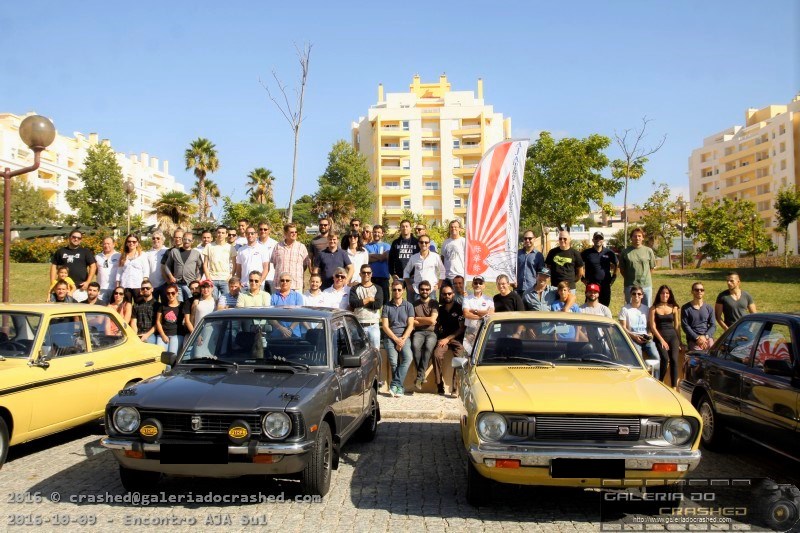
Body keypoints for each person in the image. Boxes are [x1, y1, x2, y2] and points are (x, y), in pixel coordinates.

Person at [381, 280, 415, 397]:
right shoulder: (386, 306)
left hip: (404, 337)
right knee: (393, 361)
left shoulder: (409, 306)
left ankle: (395, 384)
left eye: (399, 289)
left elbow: (410, 325)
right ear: (391, 290)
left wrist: (402, 340)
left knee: (408, 358)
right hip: (390, 337)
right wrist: (396, 340)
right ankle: (399, 388)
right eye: (394, 289)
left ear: (403, 291)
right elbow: (385, 326)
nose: (396, 292)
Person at [433, 285, 465, 397]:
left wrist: (448, 338)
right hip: (443, 340)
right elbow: (436, 326)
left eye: (449, 293)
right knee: (437, 355)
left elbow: (461, 328)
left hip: (456, 339)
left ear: (453, 294)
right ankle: (439, 385)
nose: (447, 296)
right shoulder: (440, 310)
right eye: (444, 294)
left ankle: (455, 388)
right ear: (441, 295)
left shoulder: (459, 308)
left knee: (459, 359)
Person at [619, 283, 659, 363]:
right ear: (631, 295)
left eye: (639, 294)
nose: (636, 296)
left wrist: (649, 335)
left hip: (646, 338)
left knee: (656, 357)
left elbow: (650, 326)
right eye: (634, 293)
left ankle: (656, 376)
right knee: (638, 359)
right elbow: (622, 327)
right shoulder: (625, 309)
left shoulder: (647, 309)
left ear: (642, 295)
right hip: (632, 338)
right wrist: (634, 336)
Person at [649, 285, 681, 384]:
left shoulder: (674, 307)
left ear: (670, 295)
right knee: (665, 358)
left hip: (673, 337)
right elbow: (652, 327)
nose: (665, 295)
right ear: (659, 294)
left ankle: (674, 386)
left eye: (667, 293)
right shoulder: (653, 308)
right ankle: (661, 381)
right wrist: (661, 340)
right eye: (663, 293)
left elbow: (677, 325)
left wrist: (679, 342)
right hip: (660, 337)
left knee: (674, 360)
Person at [163, 231, 207, 302]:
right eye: (185, 239)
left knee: (191, 302)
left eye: (189, 240)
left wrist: (198, 279)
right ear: (182, 239)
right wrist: (171, 276)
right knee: (178, 304)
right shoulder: (174, 251)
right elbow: (167, 265)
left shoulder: (196, 253)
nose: (186, 241)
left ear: (192, 241)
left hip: (190, 284)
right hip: (177, 283)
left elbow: (201, 267)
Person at [411, 280, 438, 392]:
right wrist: (426, 321)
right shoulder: (414, 304)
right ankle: (421, 376)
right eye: (422, 289)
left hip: (432, 333)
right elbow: (412, 322)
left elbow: (432, 320)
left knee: (428, 348)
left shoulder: (434, 303)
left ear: (430, 290)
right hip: (418, 332)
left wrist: (419, 319)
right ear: (419, 290)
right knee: (415, 347)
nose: (425, 291)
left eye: (427, 289)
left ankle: (419, 376)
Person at [349, 264, 383, 351]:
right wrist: (368, 299)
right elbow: (353, 303)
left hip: (373, 325)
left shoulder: (378, 288)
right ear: (360, 274)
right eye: (364, 272)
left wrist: (361, 302)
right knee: (358, 352)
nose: (366, 274)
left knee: (375, 353)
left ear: (371, 274)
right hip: (358, 325)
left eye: (368, 272)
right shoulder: (354, 288)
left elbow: (378, 305)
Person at [619, 227, 657, 306]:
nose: (637, 238)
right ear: (631, 238)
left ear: (643, 238)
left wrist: (645, 277)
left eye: (639, 236)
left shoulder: (648, 251)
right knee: (630, 308)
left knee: (647, 308)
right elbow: (622, 269)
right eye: (635, 236)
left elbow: (652, 267)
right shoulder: (625, 252)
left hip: (646, 285)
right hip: (630, 285)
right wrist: (629, 278)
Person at [580, 232, 618, 307]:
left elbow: (617, 264)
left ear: (603, 240)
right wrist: (582, 278)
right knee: (590, 306)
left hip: (605, 284)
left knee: (604, 306)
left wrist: (614, 277)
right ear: (592, 240)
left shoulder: (609, 252)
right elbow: (579, 265)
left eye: (600, 238)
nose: (598, 240)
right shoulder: (586, 253)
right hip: (591, 285)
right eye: (596, 238)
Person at [270, 223, 310, 292]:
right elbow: (275, 264)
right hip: (280, 285)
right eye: (291, 232)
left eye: (295, 232)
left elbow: (305, 265)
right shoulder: (277, 246)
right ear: (285, 233)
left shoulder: (301, 247)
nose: (294, 234)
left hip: (296, 285)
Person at [462, 275, 494, 353]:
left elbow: (491, 313)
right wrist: (483, 316)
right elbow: (466, 314)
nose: (478, 285)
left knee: (484, 352)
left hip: (484, 330)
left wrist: (474, 311)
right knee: (467, 352)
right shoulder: (466, 298)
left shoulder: (489, 299)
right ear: (472, 285)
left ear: (484, 285)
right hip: (470, 330)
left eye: (480, 283)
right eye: (475, 283)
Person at [681, 282, 716, 351]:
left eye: (701, 290)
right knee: (699, 357)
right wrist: (697, 338)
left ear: (704, 292)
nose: (699, 291)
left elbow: (713, 325)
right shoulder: (686, 308)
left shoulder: (709, 308)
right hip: (693, 339)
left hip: (707, 338)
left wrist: (705, 336)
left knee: (712, 355)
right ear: (692, 292)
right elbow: (685, 326)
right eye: (696, 290)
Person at [204, 225, 235, 299]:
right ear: (216, 233)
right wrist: (208, 277)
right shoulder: (209, 246)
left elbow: (235, 264)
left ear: (226, 234)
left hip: (225, 279)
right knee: (213, 301)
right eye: (219, 232)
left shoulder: (230, 247)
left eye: (223, 233)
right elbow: (205, 264)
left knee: (227, 301)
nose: (220, 234)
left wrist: (230, 277)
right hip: (212, 279)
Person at [389, 220, 419, 294]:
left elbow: (421, 259)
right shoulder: (395, 243)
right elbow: (390, 260)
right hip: (399, 277)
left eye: (406, 226)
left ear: (410, 228)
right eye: (402, 226)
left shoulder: (417, 242)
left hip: (413, 276)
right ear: (400, 228)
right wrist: (393, 274)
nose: (405, 228)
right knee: (396, 298)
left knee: (413, 300)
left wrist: (417, 273)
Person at [117, 234, 149, 302]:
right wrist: (118, 286)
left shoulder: (142, 255)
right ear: (126, 243)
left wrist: (144, 286)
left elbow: (146, 271)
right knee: (126, 305)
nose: (131, 243)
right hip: (125, 285)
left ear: (137, 243)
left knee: (140, 305)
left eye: (134, 241)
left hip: (138, 285)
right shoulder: (123, 256)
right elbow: (119, 272)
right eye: (129, 241)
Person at [270, 273, 304, 338]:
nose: (284, 282)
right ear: (279, 282)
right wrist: (281, 328)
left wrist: (290, 329)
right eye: (282, 280)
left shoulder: (298, 297)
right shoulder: (273, 297)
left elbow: (300, 314)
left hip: (294, 334)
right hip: (277, 334)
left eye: (287, 280)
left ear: (291, 282)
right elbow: (270, 316)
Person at [156, 283, 187, 354]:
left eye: (173, 293)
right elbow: (158, 322)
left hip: (177, 334)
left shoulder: (182, 306)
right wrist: (163, 335)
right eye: (168, 293)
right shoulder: (162, 306)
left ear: (177, 293)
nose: (170, 295)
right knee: (161, 355)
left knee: (172, 355)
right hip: (163, 334)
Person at [366, 224, 391, 303]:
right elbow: (367, 259)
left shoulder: (387, 246)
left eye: (379, 232)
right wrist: (380, 257)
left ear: (382, 234)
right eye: (375, 232)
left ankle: (384, 316)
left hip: (383, 277)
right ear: (372, 233)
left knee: (385, 302)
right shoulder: (366, 246)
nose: (376, 234)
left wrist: (372, 256)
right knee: (371, 301)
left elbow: (385, 257)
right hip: (370, 277)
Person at [130, 279, 161, 345]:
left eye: (147, 288)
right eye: (143, 288)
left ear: (152, 289)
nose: (145, 290)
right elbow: (133, 322)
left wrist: (146, 335)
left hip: (151, 334)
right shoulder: (136, 305)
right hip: (138, 333)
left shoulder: (157, 305)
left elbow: (157, 323)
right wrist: (135, 336)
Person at [516, 229, 545, 295]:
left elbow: (541, 273)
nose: (527, 240)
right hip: (518, 288)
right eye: (525, 238)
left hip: (532, 289)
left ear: (534, 239)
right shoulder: (518, 254)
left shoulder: (538, 255)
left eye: (530, 238)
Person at [441, 220, 465, 289]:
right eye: (451, 227)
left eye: (455, 227)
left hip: (459, 277)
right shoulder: (445, 242)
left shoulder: (463, 241)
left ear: (460, 229)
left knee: (458, 299)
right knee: (446, 298)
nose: (453, 229)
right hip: (447, 277)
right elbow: (442, 258)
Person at [95, 236, 120, 303]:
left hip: (114, 289)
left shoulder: (119, 256)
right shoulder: (97, 257)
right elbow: (95, 271)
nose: (106, 245)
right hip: (101, 289)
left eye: (108, 243)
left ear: (114, 244)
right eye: (104, 244)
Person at [147, 231, 168, 303]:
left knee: (165, 304)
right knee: (153, 306)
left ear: (162, 239)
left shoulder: (167, 251)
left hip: (165, 283)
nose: (156, 240)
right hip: (152, 285)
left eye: (158, 238)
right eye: (153, 238)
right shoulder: (147, 253)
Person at [257, 222, 278, 293]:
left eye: (265, 229)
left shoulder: (275, 244)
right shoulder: (254, 243)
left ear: (269, 230)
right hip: (257, 280)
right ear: (258, 230)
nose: (263, 231)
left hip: (271, 278)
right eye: (261, 229)